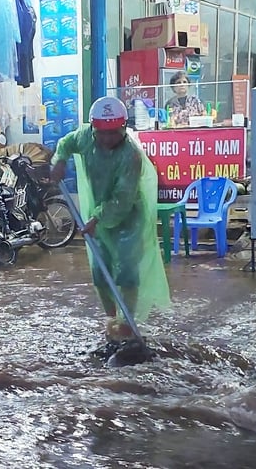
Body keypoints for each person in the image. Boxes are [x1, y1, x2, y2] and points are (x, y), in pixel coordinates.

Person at [50, 96, 171, 341]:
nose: (107, 139)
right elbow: (66, 143)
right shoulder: (85, 137)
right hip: (99, 218)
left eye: (113, 133)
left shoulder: (131, 156)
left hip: (128, 218)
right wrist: (60, 160)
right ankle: (111, 320)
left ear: (123, 129)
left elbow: (122, 199)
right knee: (99, 270)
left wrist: (96, 218)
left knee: (126, 270)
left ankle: (127, 323)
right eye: (101, 133)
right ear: (94, 128)